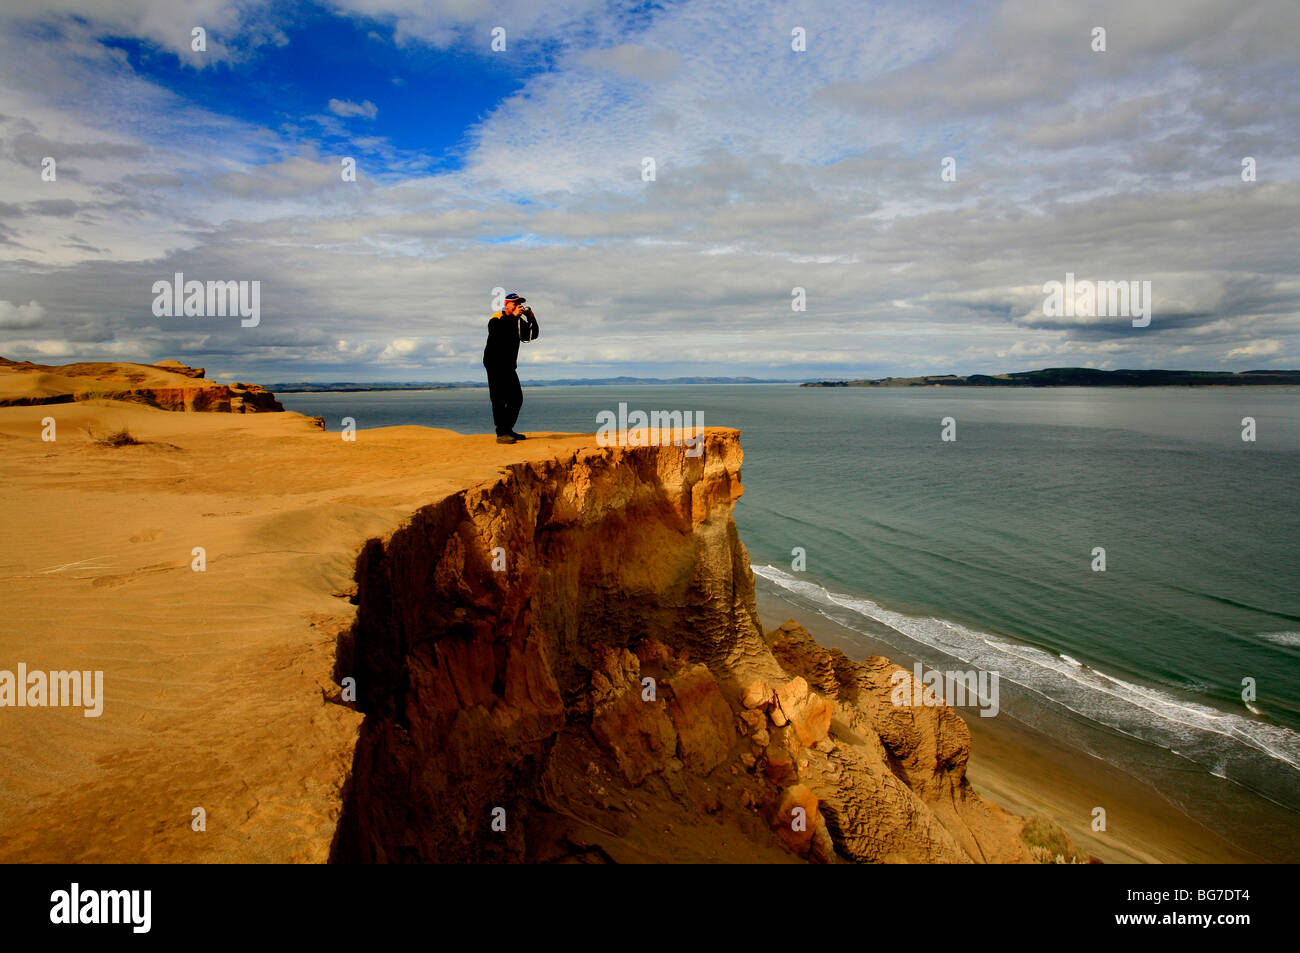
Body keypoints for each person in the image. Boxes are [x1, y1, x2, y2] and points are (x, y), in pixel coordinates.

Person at [482, 292, 539, 443]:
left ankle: (508, 429)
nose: (518, 306)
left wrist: (531, 316)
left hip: (508, 365)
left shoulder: (517, 321)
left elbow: (532, 335)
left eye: (520, 303)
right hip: (494, 363)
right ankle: (501, 433)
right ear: (507, 305)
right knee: (499, 399)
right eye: (515, 303)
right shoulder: (497, 318)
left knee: (516, 398)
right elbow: (498, 334)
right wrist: (514, 317)